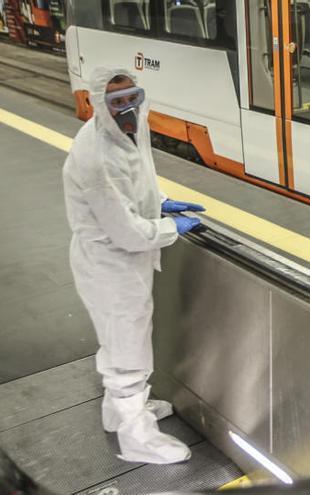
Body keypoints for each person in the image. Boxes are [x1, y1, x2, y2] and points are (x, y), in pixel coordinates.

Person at [62, 67, 204, 464]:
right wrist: (170, 226)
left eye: (133, 97)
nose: (128, 108)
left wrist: (159, 201)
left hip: (122, 262)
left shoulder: (127, 130)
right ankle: (136, 436)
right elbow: (127, 232)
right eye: (117, 102)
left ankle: (120, 412)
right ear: (98, 104)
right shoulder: (95, 155)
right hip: (111, 263)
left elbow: (137, 178)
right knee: (128, 348)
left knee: (119, 339)